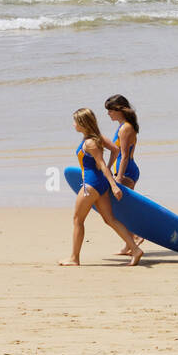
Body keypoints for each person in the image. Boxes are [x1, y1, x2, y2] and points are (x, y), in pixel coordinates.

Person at [62, 108, 142, 267]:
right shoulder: (97, 138)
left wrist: (114, 185)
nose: (73, 125)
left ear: (82, 123)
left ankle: (74, 258)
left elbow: (101, 165)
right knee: (110, 219)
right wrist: (109, 179)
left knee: (78, 220)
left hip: (91, 185)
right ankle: (135, 249)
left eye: (75, 121)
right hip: (100, 184)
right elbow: (115, 150)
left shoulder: (90, 143)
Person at [103, 94, 143, 254]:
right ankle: (130, 241)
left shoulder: (126, 127)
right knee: (121, 208)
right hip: (123, 169)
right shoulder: (122, 126)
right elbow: (116, 152)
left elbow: (125, 155)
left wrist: (118, 178)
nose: (108, 114)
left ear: (119, 110)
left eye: (110, 110)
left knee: (118, 209)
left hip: (126, 171)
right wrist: (107, 169)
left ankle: (135, 237)